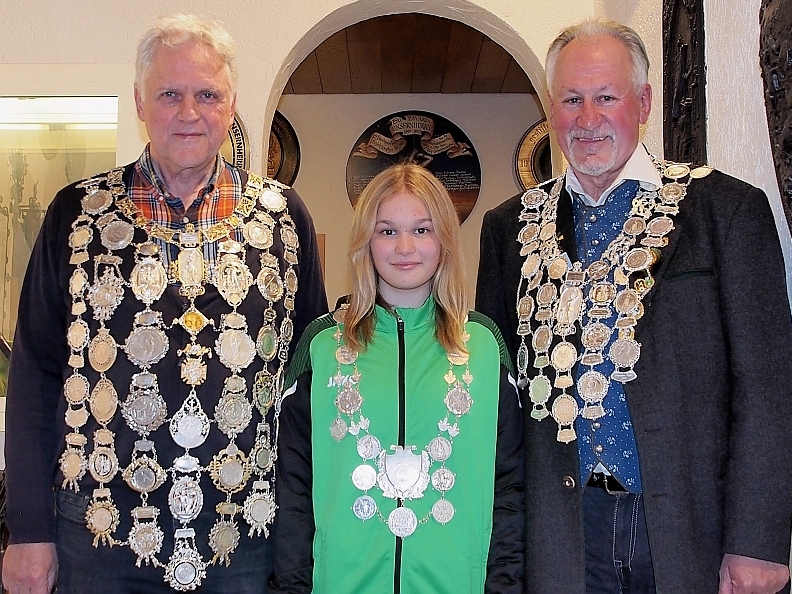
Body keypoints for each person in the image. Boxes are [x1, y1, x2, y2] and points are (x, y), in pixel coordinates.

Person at [2, 14, 327, 594]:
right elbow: (36, 372)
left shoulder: (284, 217)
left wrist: (306, 528)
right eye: (170, 94)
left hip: (244, 538)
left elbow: (307, 382)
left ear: (231, 105)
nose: (189, 112)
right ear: (139, 102)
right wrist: (27, 530)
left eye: (208, 95)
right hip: (100, 534)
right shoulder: (76, 214)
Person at [476, 18, 792, 594]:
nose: (587, 119)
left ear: (643, 103)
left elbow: (768, 385)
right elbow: (500, 405)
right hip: (561, 538)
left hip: (691, 530)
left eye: (606, 97)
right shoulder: (507, 229)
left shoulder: (725, 211)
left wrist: (758, 540)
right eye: (571, 99)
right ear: (551, 109)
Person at [270, 163, 524, 594]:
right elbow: (292, 487)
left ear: (444, 238)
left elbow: (510, 488)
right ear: (365, 241)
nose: (405, 247)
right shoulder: (321, 347)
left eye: (421, 230)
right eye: (387, 231)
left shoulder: (484, 347)